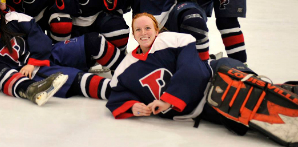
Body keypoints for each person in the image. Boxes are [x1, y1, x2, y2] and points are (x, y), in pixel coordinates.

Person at [107, 13, 298, 147]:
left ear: (156, 30)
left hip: (216, 75)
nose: (143, 33)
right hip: (205, 106)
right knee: (244, 119)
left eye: (148, 28)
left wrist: (167, 100)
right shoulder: (126, 67)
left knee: (253, 92)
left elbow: (192, 69)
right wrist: (132, 106)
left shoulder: (173, 40)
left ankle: (284, 91)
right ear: (133, 34)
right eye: (138, 30)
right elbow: (117, 93)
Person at [0, 0, 121, 104]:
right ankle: (124, 91)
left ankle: (128, 68)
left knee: (93, 41)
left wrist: (33, 61)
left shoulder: (14, 19)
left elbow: (38, 35)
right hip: (34, 74)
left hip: (46, 55)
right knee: (80, 80)